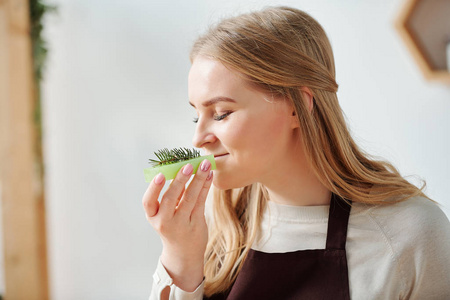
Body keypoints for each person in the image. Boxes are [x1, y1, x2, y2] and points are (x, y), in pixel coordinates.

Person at [142, 6, 450, 300]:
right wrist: (180, 261)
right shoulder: (210, 232)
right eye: (197, 116)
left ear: (298, 107)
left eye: (221, 113)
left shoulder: (410, 235)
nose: (198, 139)